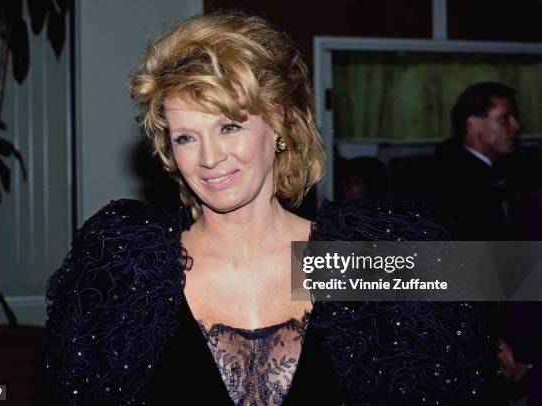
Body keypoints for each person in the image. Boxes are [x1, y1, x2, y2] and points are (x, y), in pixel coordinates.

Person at [44, 13, 504, 405]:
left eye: (229, 126)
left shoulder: (357, 259)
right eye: (186, 137)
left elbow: (508, 282)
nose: (208, 157)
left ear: (280, 122)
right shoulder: (127, 271)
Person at [430, 82, 521, 241]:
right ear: (473, 124)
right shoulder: (457, 185)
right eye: (504, 119)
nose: (516, 126)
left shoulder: (490, 175)